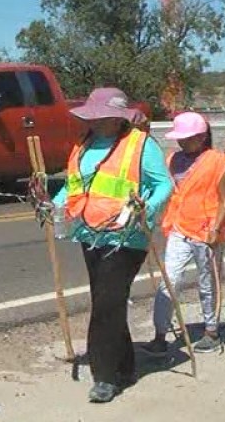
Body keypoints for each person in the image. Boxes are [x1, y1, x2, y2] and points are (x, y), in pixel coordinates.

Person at [50, 87, 172, 404]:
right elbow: (73, 185)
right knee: (110, 303)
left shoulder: (142, 145)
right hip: (90, 234)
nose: (98, 122)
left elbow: (164, 186)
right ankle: (126, 366)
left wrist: (147, 209)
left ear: (119, 118)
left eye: (104, 116)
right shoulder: (84, 143)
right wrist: (56, 204)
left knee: (105, 305)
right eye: (94, 116)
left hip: (127, 238)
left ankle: (105, 377)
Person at [141, 112, 225, 356]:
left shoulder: (217, 161)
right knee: (169, 280)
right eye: (180, 138)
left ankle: (211, 331)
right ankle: (160, 335)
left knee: (207, 282)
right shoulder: (171, 159)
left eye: (187, 138)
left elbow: (224, 201)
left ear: (201, 137)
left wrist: (215, 228)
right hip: (179, 227)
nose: (182, 142)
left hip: (206, 230)